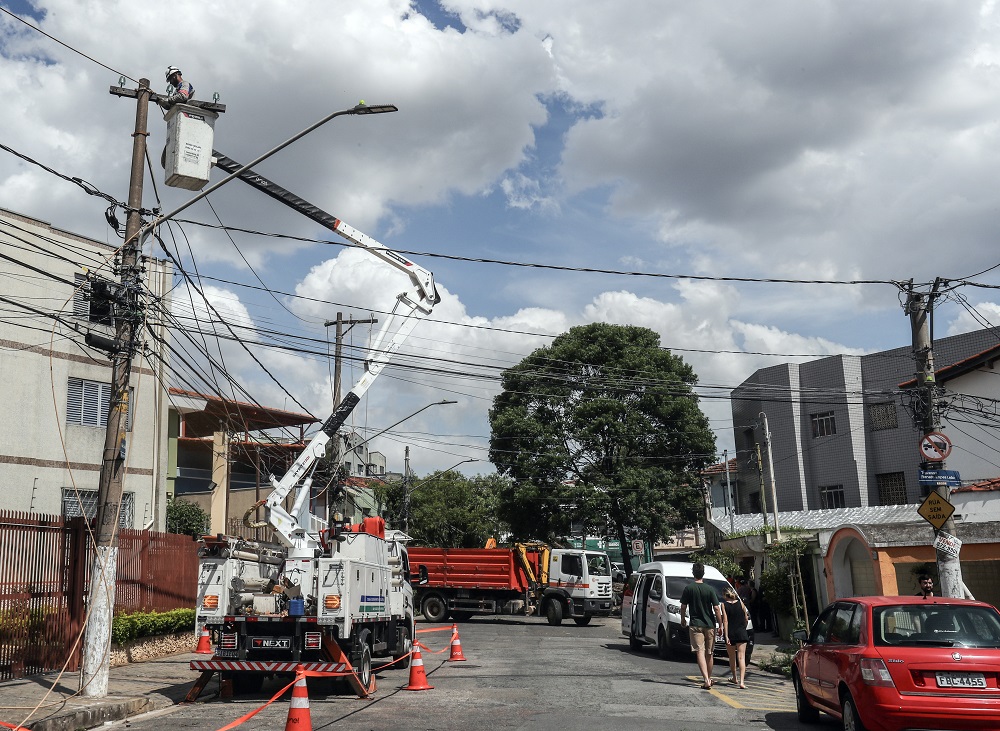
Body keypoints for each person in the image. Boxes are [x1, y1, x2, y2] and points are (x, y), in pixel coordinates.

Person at [680, 562, 725, 690]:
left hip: (695, 624)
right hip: (710, 624)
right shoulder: (710, 589)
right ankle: (708, 679)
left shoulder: (689, 588)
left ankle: (706, 679)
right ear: (703, 573)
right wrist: (720, 625)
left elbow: (683, 606)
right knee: (709, 653)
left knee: (699, 651)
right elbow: (716, 608)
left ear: (693, 573)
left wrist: (683, 619)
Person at [723, 588, 750, 688]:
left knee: (732, 657)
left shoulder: (724, 605)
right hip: (741, 632)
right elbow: (746, 617)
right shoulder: (741, 603)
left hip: (731, 633)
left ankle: (734, 677)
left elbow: (725, 621)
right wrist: (743, 627)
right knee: (741, 657)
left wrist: (726, 635)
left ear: (725, 596)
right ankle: (742, 682)